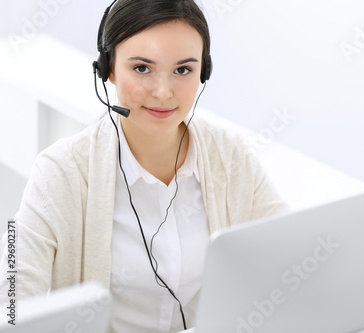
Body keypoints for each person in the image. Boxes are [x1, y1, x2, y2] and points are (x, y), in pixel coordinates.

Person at [0, 0, 288, 332]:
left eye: (183, 70)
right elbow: (11, 300)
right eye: (142, 68)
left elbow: (286, 249)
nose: (163, 92)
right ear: (108, 68)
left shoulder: (231, 157)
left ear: (203, 73)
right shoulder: (60, 172)